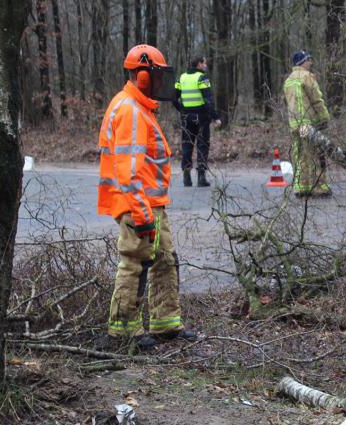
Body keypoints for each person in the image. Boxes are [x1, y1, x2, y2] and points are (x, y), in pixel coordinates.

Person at [97, 44, 196, 350]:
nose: (160, 84)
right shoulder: (130, 111)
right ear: (142, 77)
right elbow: (129, 174)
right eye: (156, 77)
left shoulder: (139, 107)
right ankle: (124, 331)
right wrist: (141, 217)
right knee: (135, 263)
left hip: (151, 204)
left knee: (165, 259)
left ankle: (166, 323)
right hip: (136, 205)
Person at [283, 50, 346, 197]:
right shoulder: (307, 77)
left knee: (301, 156)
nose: (311, 62)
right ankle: (319, 188)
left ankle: (302, 188)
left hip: (295, 125)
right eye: (308, 59)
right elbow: (316, 100)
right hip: (307, 124)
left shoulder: (288, 80)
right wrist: (324, 118)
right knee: (317, 155)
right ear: (302, 62)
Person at [173, 56, 221, 187]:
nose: (206, 66)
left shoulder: (182, 77)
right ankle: (201, 177)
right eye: (204, 63)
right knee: (202, 145)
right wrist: (216, 117)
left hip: (186, 117)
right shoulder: (202, 78)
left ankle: (186, 177)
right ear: (199, 64)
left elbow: (173, 97)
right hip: (201, 117)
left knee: (187, 144)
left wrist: (181, 110)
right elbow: (208, 100)